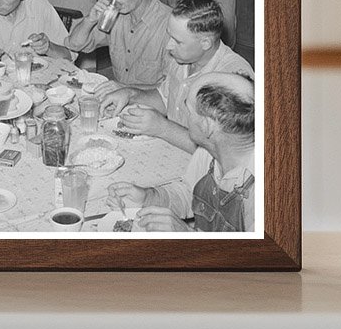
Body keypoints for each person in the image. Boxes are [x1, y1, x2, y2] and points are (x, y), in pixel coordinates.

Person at [107, 71, 256, 232]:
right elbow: (189, 193)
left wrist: (186, 233)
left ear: (207, 126)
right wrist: (148, 197)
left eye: (189, 112)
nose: (185, 116)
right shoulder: (209, 151)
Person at [100, 0, 253, 149]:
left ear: (205, 43)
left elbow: (224, 152)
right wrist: (130, 94)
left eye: (178, 41)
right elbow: (166, 98)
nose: (169, 46)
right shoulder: (183, 57)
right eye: (170, 36)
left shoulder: (233, 78)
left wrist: (162, 128)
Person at [65, 0, 171, 90]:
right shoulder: (115, 14)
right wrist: (89, 20)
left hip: (150, 105)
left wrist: (125, 89)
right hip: (119, 98)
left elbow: (172, 89)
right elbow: (74, 44)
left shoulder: (168, 24)